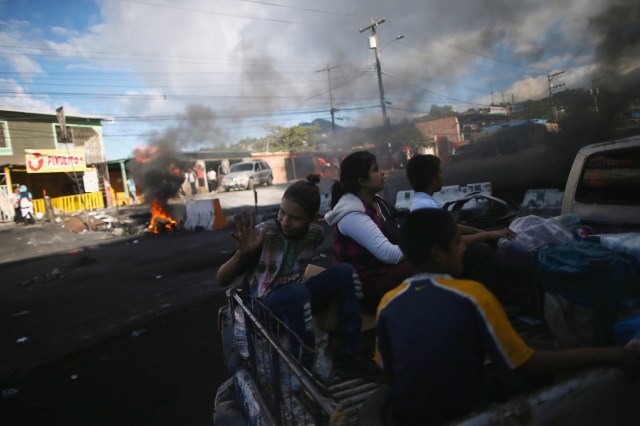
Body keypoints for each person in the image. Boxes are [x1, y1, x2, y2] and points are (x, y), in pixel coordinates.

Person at [376, 209, 640, 426]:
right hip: (468, 412)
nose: (463, 249)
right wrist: (611, 355)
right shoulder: (470, 295)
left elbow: (389, 374)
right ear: (437, 253)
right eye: (458, 243)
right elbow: (524, 364)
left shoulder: (387, 303)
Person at [216, 173, 381, 381]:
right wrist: (242, 253)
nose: (284, 221)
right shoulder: (263, 235)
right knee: (297, 291)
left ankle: (352, 355)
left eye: (294, 218)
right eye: (282, 212)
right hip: (263, 308)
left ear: (312, 219)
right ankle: (304, 372)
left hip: (296, 298)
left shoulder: (315, 235)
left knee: (345, 272)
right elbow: (221, 279)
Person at [406, 154, 516, 292]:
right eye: (440, 172)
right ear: (433, 180)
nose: (442, 175)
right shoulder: (425, 207)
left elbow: (449, 225)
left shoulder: (424, 201)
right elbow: (451, 241)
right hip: (441, 261)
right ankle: (485, 295)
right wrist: (489, 235)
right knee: (483, 250)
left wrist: (477, 231)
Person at [324, 151, 413, 314]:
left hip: (385, 273)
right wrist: (427, 243)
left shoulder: (377, 201)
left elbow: (396, 235)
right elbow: (390, 254)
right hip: (368, 289)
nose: (382, 173)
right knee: (427, 262)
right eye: (375, 170)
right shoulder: (352, 214)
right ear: (362, 181)